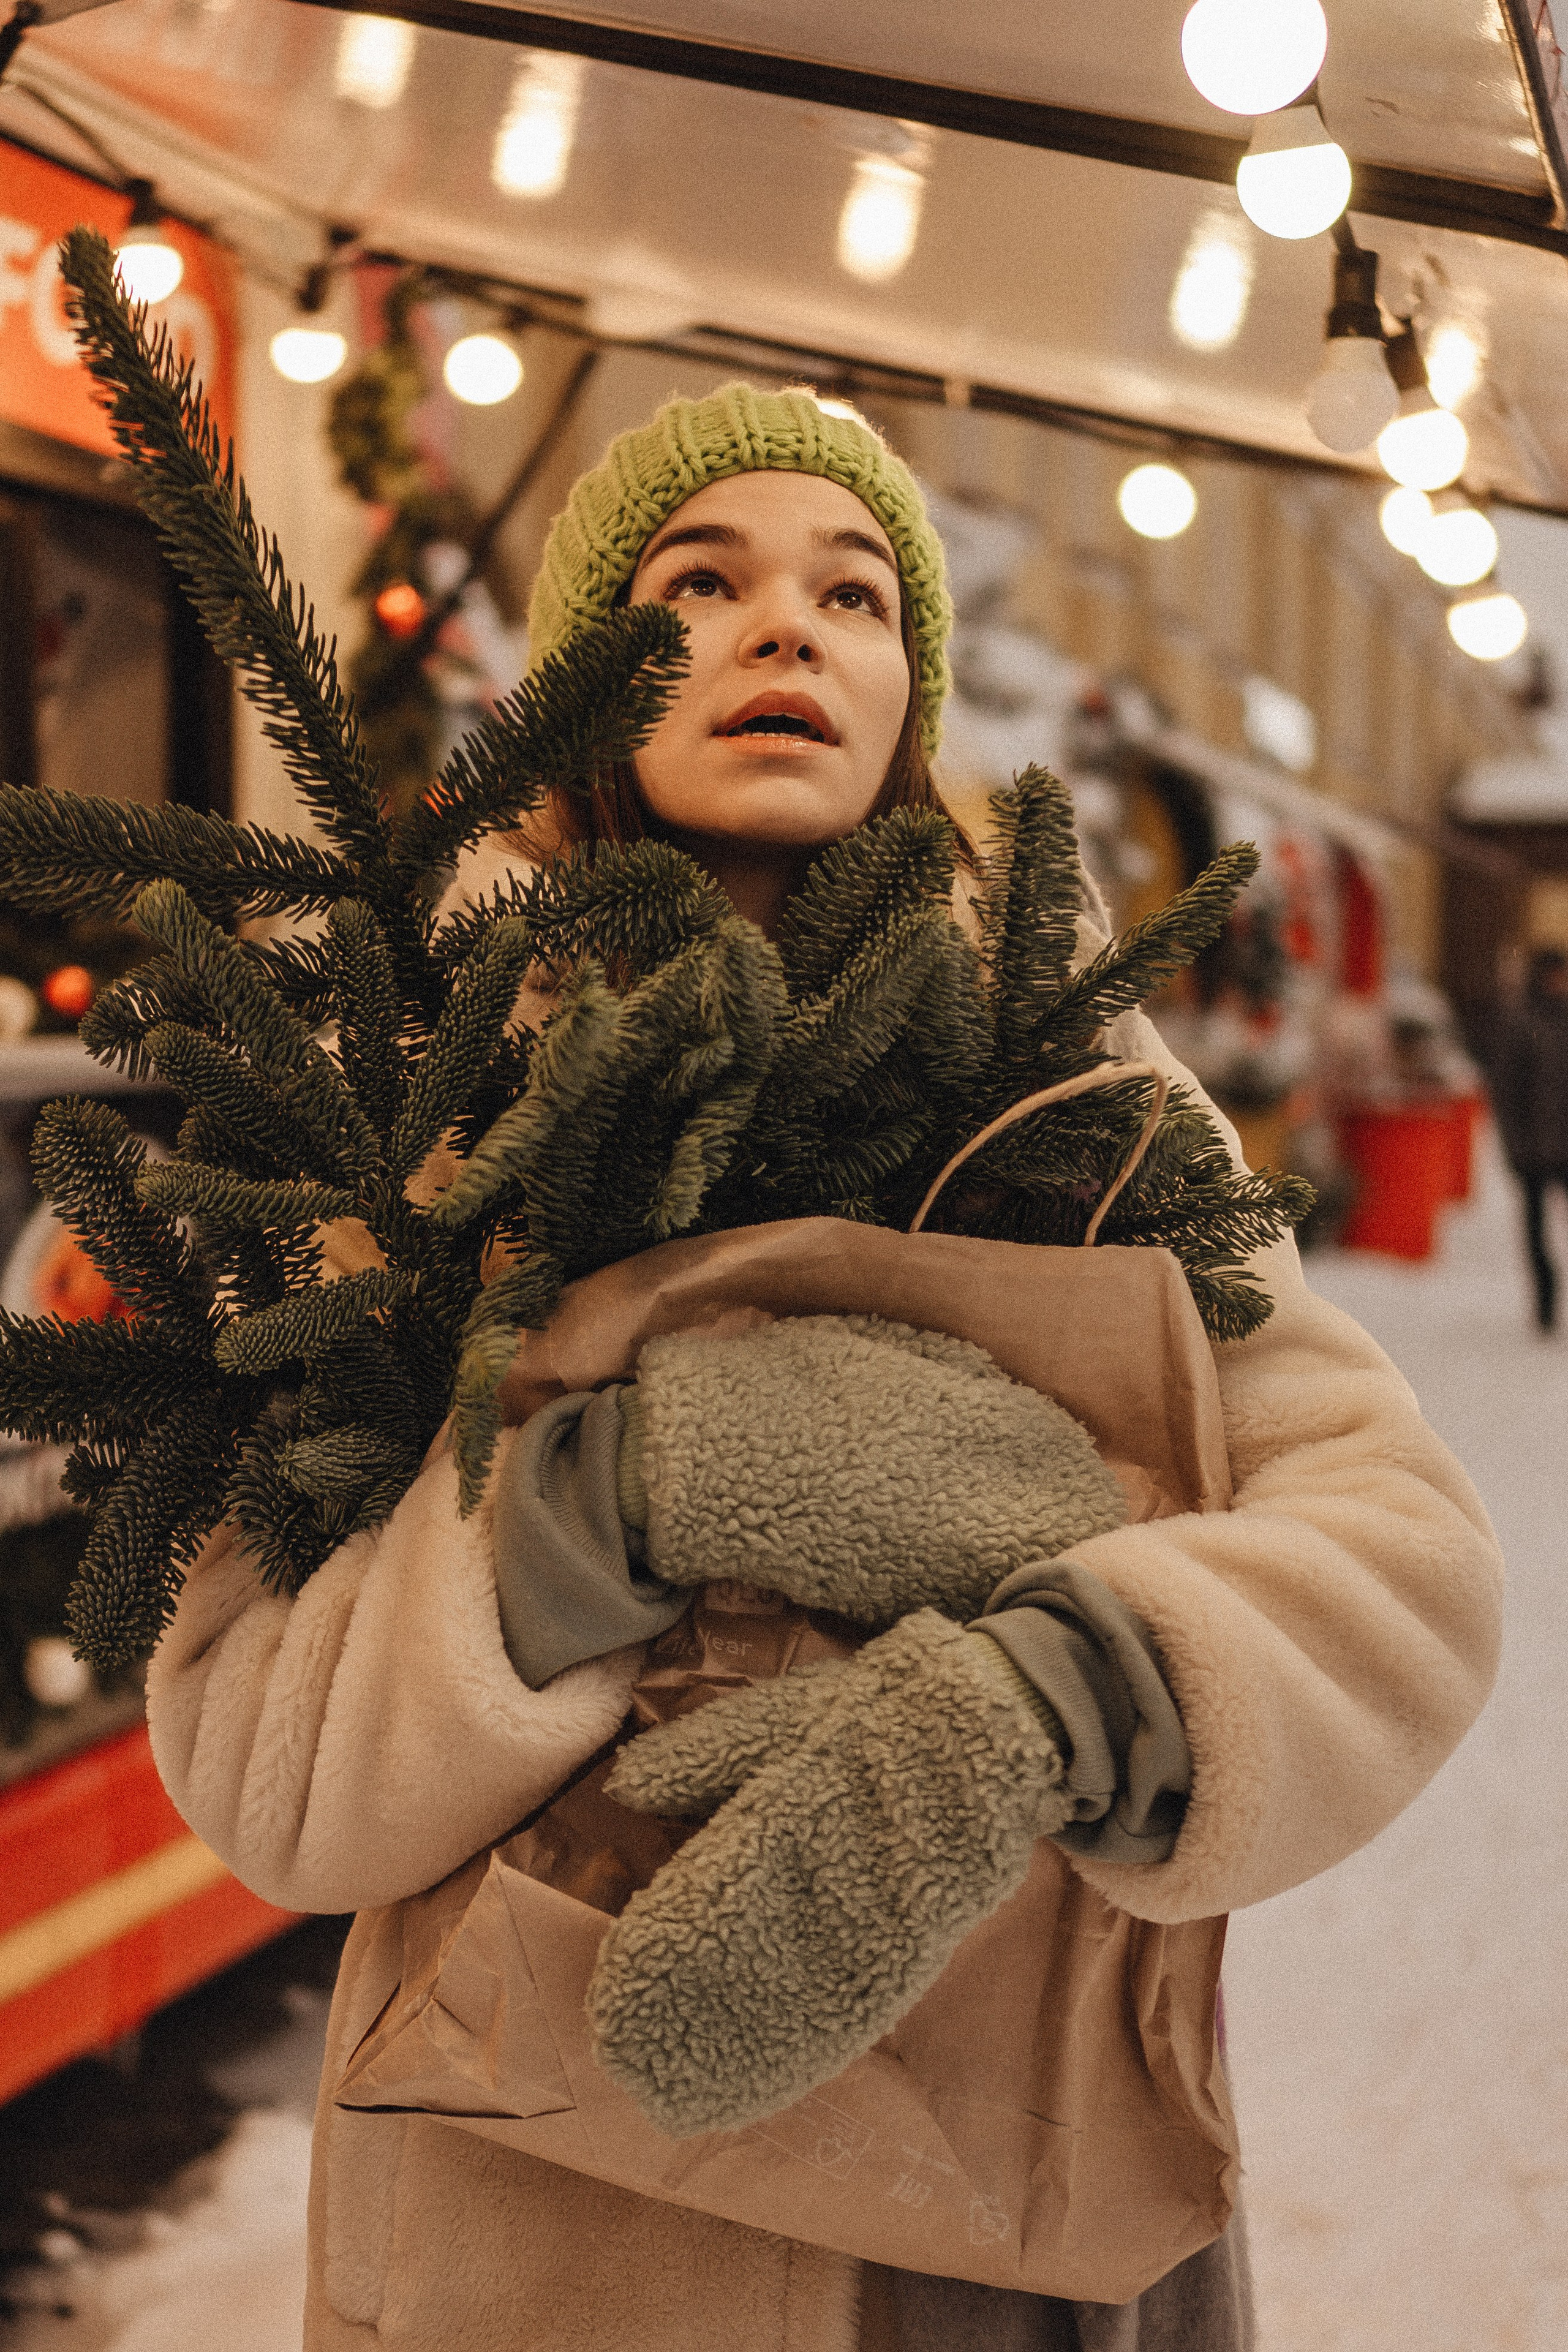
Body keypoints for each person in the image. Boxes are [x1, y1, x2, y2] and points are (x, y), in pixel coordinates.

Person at [143, 387, 1502, 2352]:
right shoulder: (417, 1112)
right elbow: (261, 1754)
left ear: (911, 688)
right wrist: (603, 1502)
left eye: (854, 594)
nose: (786, 626)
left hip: (982, 2221)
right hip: (535, 2236)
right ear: (582, 682)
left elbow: (1399, 1559)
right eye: (699, 582)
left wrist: (1056, 1695)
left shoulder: (1084, 1095)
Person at [1490, 944, 1568, 1330]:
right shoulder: (1520, 1022)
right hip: (1534, 1147)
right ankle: (1545, 1299)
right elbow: (1506, 1091)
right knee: (1536, 1230)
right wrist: (1514, 1145)